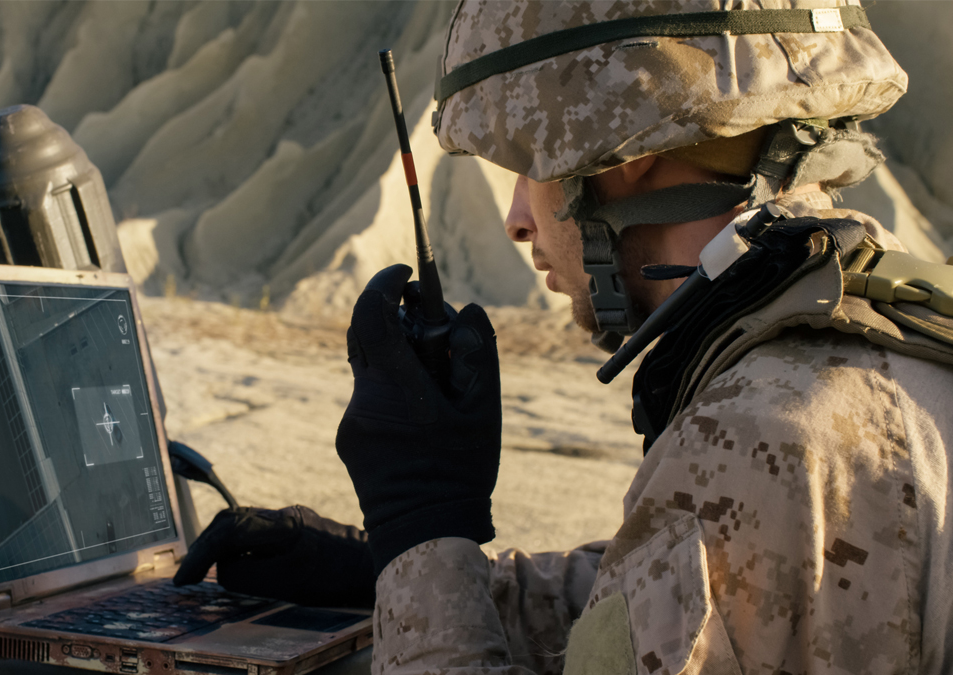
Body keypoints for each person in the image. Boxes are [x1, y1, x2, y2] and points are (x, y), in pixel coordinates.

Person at [178, 2, 953, 673]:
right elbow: (655, 606)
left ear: (626, 150)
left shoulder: (760, 435)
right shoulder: (878, 330)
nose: (517, 218)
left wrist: (420, 523)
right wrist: (387, 566)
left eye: (528, 164)